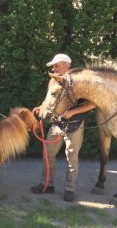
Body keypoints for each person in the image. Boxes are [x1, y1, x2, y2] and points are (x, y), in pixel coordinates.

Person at [30, 53, 95, 202]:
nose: (54, 68)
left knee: (71, 159)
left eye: (56, 65)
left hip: (75, 125)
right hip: (56, 124)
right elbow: (48, 101)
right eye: (53, 66)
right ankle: (47, 184)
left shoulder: (80, 83)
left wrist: (72, 112)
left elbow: (92, 104)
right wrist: (41, 107)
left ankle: (69, 189)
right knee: (48, 155)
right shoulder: (53, 81)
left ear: (66, 65)